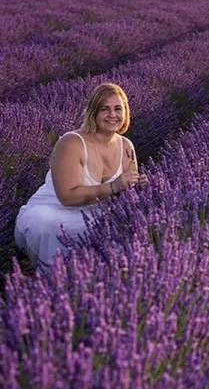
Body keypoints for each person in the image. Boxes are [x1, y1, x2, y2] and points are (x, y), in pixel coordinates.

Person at [14, 83, 146, 267]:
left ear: (126, 113)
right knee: (46, 225)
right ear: (93, 112)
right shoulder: (71, 143)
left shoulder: (126, 146)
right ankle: (51, 280)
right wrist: (113, 186)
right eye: (104, 109)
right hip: (54, 211)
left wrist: (136, 185)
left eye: (118, 109)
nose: (112, 115)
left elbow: (125, 190)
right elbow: (67, 197)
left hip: (97, 213)